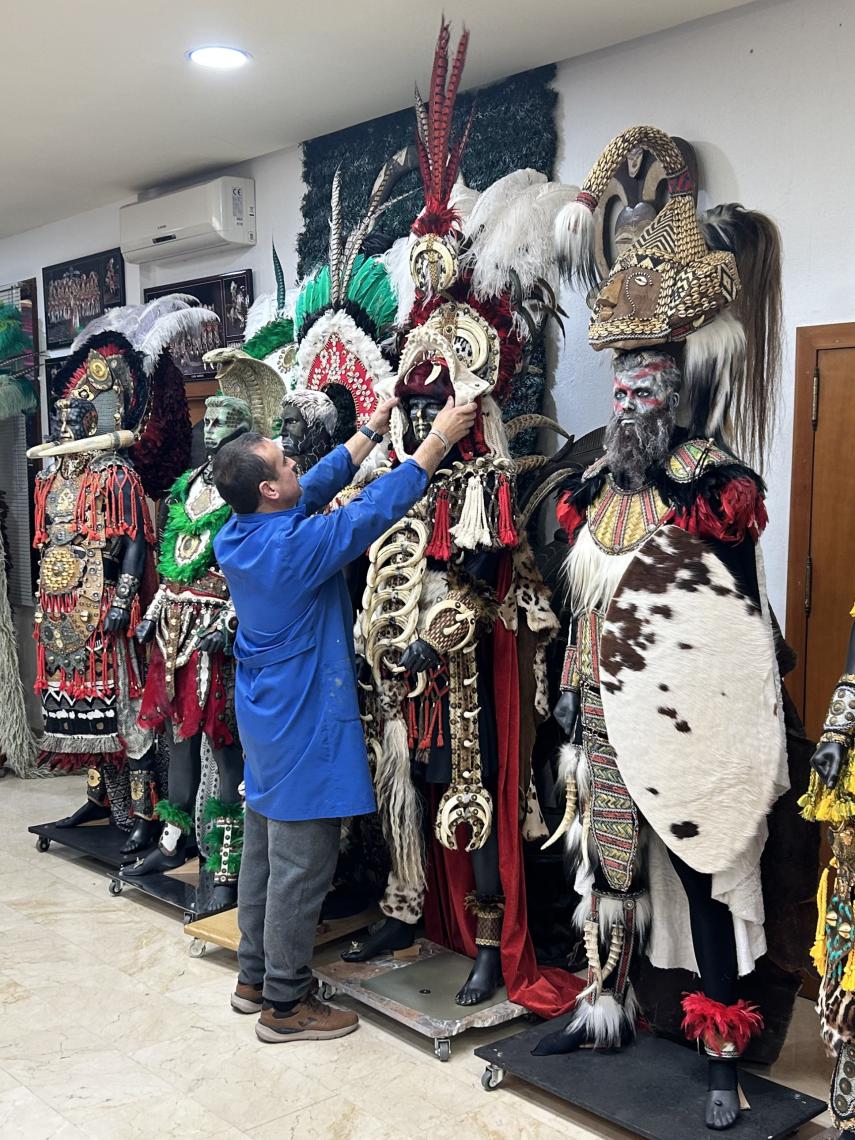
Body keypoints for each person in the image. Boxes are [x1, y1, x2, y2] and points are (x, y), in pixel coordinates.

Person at [212, 393, 476, 1043]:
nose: (293, 457)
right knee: (303, 865)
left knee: (266, 855)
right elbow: (372, 512)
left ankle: (252, 977)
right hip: (302, 721)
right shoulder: (295, 550)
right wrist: (435, 441)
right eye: (282, 458)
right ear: (269, 488)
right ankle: (284, 1003)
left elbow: (312, 489)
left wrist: (367, 434)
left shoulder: (240, 531)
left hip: (264, 717)